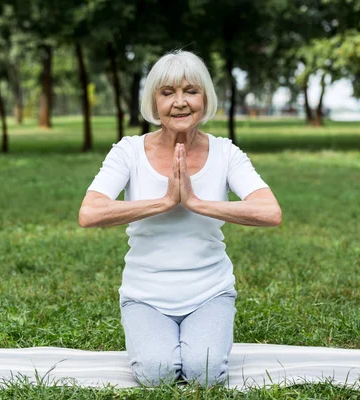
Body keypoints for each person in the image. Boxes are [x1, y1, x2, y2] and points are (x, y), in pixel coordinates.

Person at [78, 50, 282, 387]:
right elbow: (89, 212)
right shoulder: (128, 151)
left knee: (205, 375)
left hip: (210, 292)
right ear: (154, 101)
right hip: (145, 295)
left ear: (205, 98)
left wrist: (196, 202)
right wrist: (163, 202)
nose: (180, 102)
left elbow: (270, 211)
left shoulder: (225, 152)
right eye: (167, 92)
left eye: (191, 91)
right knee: (157, 375)